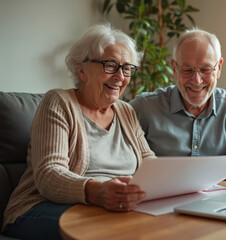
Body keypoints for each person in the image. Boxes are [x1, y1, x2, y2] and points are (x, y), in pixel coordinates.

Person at [2, 23, 155, 240]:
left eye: (127, 68)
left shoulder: (126, 111)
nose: (121, 76)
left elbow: (150, 162)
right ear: (81, 70)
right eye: (110, 65)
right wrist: (97, 192)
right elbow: (49, 173)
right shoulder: (58, 102)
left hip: (113, 209)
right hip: (41, 207)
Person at [129, 28, 226, 181]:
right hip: (161, 201)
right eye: (187, 70)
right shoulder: (144, 107)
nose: (196, 80)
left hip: (217, 202)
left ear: (218, 68)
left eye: (205, 69)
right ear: (175, 68)